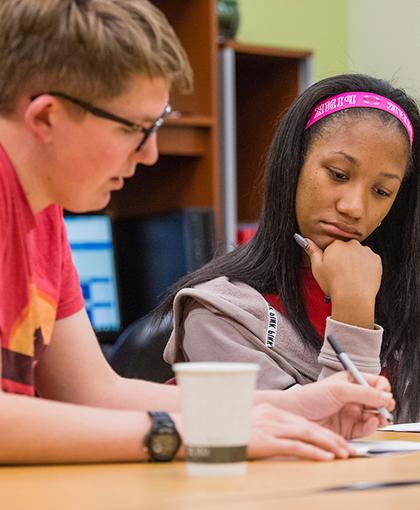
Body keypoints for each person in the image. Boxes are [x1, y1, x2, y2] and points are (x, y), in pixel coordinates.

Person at [0, 0, 394, 465]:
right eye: (135, 129)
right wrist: (188, 431)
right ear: (45, 117)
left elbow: (91, 390)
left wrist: (291, 407)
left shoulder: (44, 214)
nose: (148, 155)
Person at [162, 73, 420, 423]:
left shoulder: (405, 301)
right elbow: (330, 434)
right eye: (338, 174)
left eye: (381, 192)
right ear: (294, 164)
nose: (354, 207)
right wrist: (353, 313)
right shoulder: (217, 312)